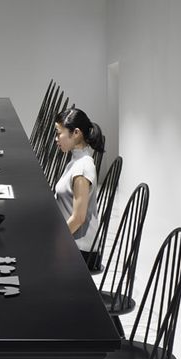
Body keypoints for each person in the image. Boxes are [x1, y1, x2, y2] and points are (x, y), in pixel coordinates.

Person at [52, 108, 105, 264]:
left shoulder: (82, 169)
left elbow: (78, 218)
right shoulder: (77, 160)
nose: (56, 139)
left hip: (81, 251)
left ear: (76, 133)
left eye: (58, 133)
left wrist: (53, 241)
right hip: (73, 242)